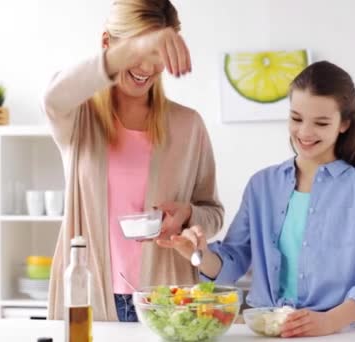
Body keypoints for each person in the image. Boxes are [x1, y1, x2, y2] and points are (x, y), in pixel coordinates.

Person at [159, 61, 355, 337]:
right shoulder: (262, 185)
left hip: (337, 334)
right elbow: (235, 259)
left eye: (321, 123)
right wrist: (199, 255)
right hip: (269, 331)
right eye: (296, 118)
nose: (305, 133)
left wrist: (328, 321)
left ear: (344, 123)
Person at [42, 0, 223, 322]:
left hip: (169, 302)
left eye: (157, 55)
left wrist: (188, 214)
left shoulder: (188, 125)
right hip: (90, 299)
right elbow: (53, 95)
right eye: (137, 53)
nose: (147, 68)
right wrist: (128, 51)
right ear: (107, 44)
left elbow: (212, 212)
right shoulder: (78, 119)